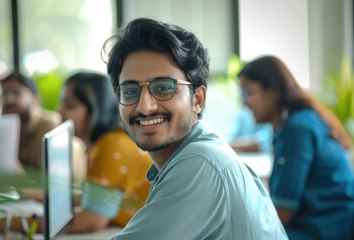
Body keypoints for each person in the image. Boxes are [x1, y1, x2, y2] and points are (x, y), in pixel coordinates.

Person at [102, 18, 288, 239]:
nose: (145, 107)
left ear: (197, 99)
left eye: (163, 88)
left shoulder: (200, 163)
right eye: (130, 91)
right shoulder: (193, 156)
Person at [0, 71, 152, 236]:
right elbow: (97, 197)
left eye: (69, 105)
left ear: (94, 111)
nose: (59, 112)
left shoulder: (113, 146)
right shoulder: (103, 144)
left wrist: (9, 221)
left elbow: (89, 221)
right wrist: (42, 195)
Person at [238, 55, 354, 240]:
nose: (244, 101)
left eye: (248, 92)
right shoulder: (302, 119)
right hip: (331, 223)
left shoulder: (295, 129)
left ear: (273, 91)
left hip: (324, 229)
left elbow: (283, 211)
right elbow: (260, 143)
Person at [0, 70, 61, 169]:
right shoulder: (4, 128)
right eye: (4, 94)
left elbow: (47, 178)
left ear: (35, 99)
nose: (8, 100)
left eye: (16, 93)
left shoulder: (49, 125)